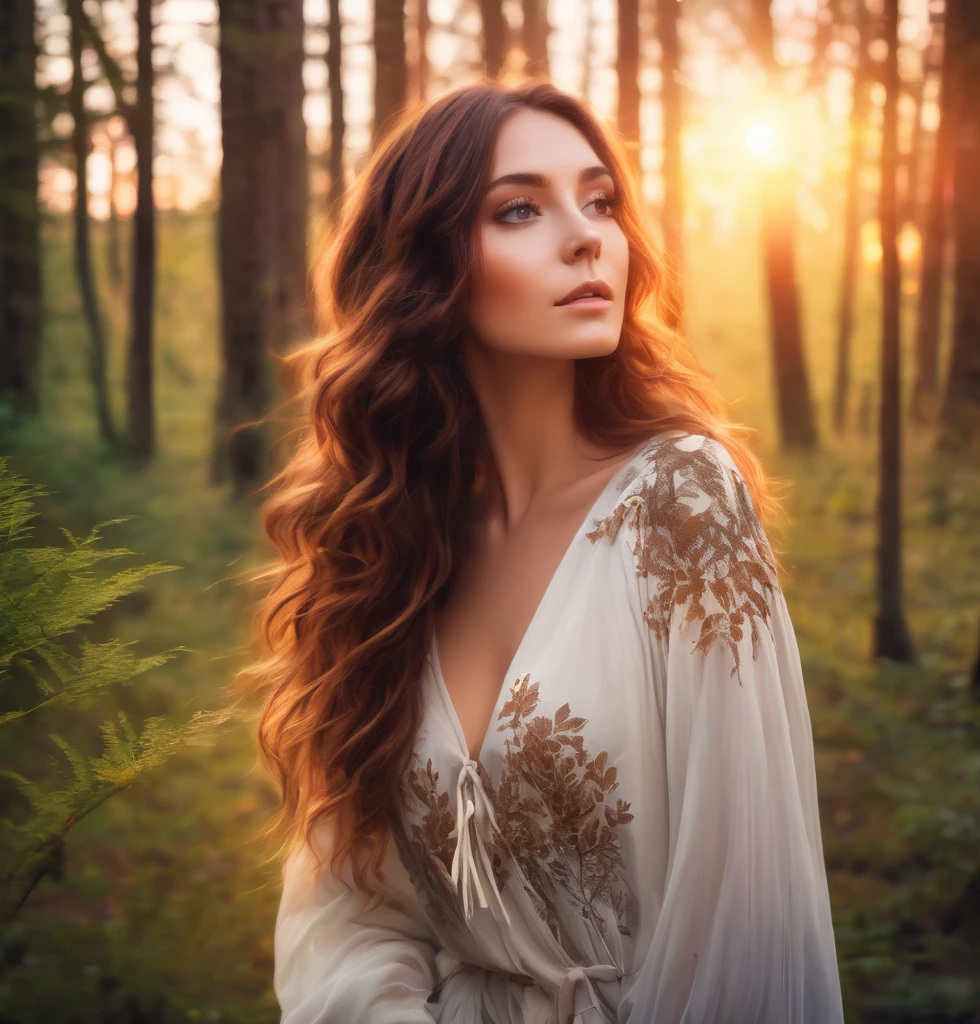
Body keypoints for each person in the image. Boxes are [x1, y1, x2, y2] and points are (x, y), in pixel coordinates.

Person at [254, 77, 845, 1023]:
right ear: (422, 267)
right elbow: (348, 910)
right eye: (520, 208)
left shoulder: (682, 501)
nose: (587, 236)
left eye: (601, 200)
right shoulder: (386, 559)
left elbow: (750, 918)